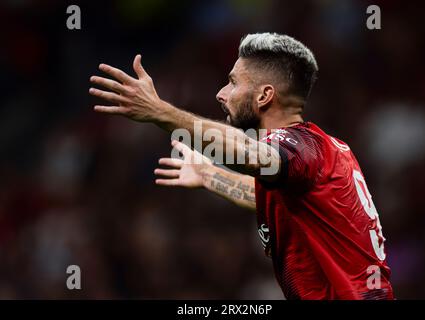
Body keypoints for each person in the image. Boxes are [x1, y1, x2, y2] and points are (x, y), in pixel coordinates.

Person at [89, 32, 394, 299]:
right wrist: (210, 175)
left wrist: (161, 112)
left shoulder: (304, 148)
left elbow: (250, 155)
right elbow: (269, 197)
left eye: (233, 82)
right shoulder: (326, 153)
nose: (221, 94)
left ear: (264, 96)